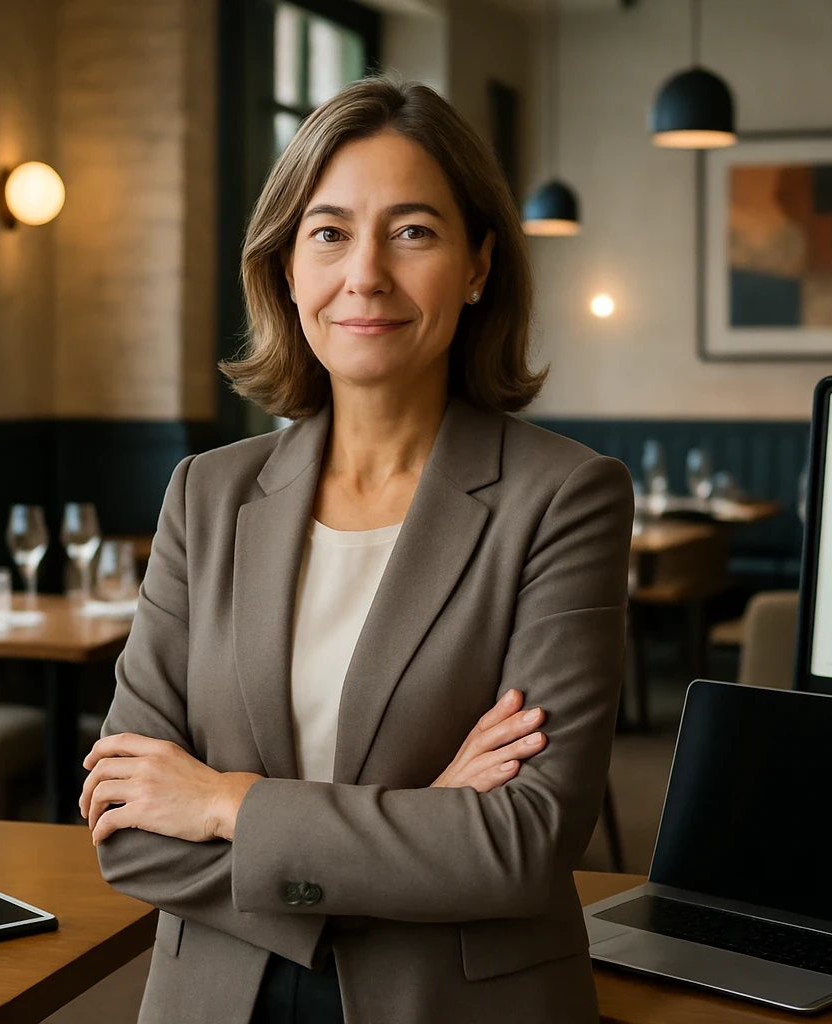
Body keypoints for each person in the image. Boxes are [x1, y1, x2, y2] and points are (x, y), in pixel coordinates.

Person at [80, 74, 632, 1024]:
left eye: (413, 230)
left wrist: (226, 806)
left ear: (477, 265)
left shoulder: (564, 499)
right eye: (329, 233)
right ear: (288, 269)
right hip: (215, 1000)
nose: (365, 273)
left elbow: (522, 845)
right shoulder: (205, 494)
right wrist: (423, 827)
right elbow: (127, 832)